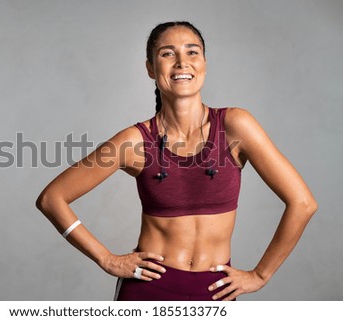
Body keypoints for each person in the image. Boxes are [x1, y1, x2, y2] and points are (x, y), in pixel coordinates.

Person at [36, 21, 317, 301]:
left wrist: (260, 275)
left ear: (205, 62)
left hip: (216, 292)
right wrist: (106, 259)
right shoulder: (134, 142)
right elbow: (52, 198)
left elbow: (303, 204)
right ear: (150, 68)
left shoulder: (236, 126)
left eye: (192, 52)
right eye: (167, 53)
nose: (182, 62)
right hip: (148, 290)